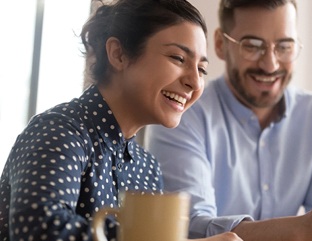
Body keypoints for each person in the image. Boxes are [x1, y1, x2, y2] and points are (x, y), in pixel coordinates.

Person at [0, 0, 243, 240]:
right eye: (178, 58)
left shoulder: (147, 168)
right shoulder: (60, 131)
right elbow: (41, 230)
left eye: (201, 69)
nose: (195, 82)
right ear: (118, 54)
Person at [145, 0, 312, 240]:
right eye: (252, 46)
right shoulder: (182, 112)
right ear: (221, 45)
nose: (270, 64)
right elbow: (190, 227)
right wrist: (304, 230)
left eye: (284, 47)